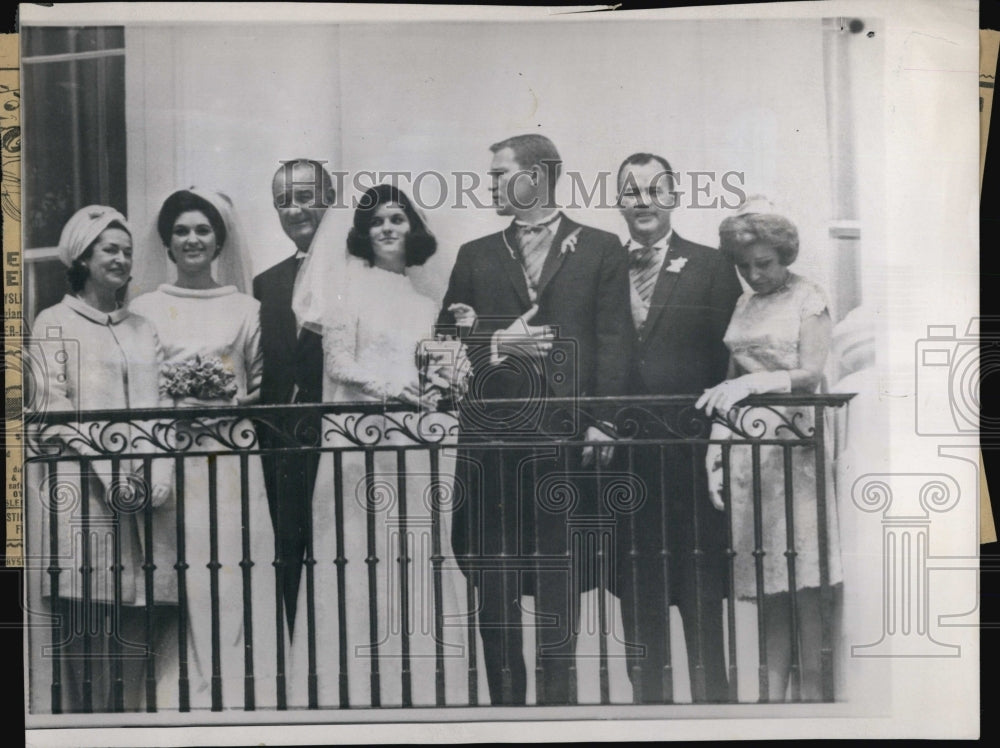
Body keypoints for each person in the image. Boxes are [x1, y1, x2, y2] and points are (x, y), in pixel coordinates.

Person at [438, 134, 633, 705]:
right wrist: (499, 341)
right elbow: (444, 343)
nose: (490, 184)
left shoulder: (599, 248)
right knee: (494, 586)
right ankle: (503, 717)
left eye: (500, 174)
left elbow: (614, 340)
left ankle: (558, 717)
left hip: (564, 443)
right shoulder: (475, 254)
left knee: (558, 583)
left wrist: (603, 421)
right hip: (491, 446)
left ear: (540, 176)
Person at [287, 183, 468, 707]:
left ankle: (409, 683)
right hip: (361, 443)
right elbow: (338, 362)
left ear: (412, 229)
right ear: (364, 235)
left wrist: (439, 382)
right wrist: (391, 389)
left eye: (397, 219)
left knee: (407, 554)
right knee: (357, 553)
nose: (388, 229)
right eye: (377, 223)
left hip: (409, 446)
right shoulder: (348, 288)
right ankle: (353, 688)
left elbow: (429, 367)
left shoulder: (422, 301)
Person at [130, 188, 279, 709]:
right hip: (175, 458)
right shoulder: (145, 308)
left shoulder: (246, 308)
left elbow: (260, 384)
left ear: (219, 240)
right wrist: (176, 398)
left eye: (202, 230)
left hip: (232, 456)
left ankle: (239, 687)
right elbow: (139, 384)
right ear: (168, 243)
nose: (192, 239)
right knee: (185, 569)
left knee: (236, 566)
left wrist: (224, 399)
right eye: (181, 231)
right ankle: (182, 693)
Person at [695, 197, 844, 702]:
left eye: (764, 264)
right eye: (744, 266)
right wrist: (716, 445)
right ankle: (769, 699)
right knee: (765, 578)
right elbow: (731, 378)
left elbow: (811, 373)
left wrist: (752, 388)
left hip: (795, 443)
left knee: (803, 578)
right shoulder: (743, 304)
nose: (755, 275)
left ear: (785, 255)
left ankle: (812, 700)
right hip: (747, 450)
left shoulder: (810, 296)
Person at [29, 205, 174, 712]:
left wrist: (158, 467)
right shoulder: (54, 322)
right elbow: (57, 407)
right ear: (83, 258)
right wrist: (113, 470)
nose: (120, 258)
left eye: (127, 251)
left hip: (143, 503)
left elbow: (159, 407)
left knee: (138, 625)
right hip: (84, 495)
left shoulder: (142, 329)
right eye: (109, 249)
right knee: (89, 619)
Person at [612, 153, 742, 703]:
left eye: (654, 189)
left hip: (690, 452)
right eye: (631, 191)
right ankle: (647, 718)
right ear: (618, 201)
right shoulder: (602, 266)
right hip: (626, 459)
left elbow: (732, 355)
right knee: (638, 594)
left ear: (673, 197)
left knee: (700, 591)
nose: (643, 201)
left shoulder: (710, 265)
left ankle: (716, 714)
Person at [253, 159, 335, 634]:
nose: (295, 208)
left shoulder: (361, 270)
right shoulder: (268, 283)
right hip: (284, 450)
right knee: (288, 561)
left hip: (343, 442)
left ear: (329, 199)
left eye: (306, 196)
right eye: (284, 201)